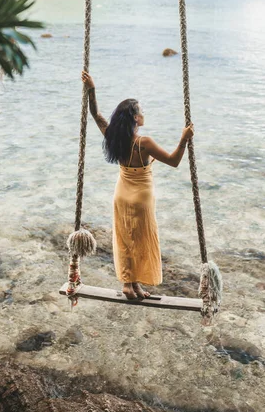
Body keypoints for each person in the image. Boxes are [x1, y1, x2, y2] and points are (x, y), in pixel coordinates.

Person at [81, 71, 194, 300]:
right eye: (141, 111)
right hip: (142, 197)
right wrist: (184, 139)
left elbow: (95, 114)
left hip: (121, 194)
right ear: (134, 118)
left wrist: (92, 89)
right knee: (141, 239)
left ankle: (130, 285)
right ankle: (136, 284)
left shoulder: (114, 136)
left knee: (125, 238)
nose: (144, 114)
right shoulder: (144, 143)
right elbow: (173, 161)